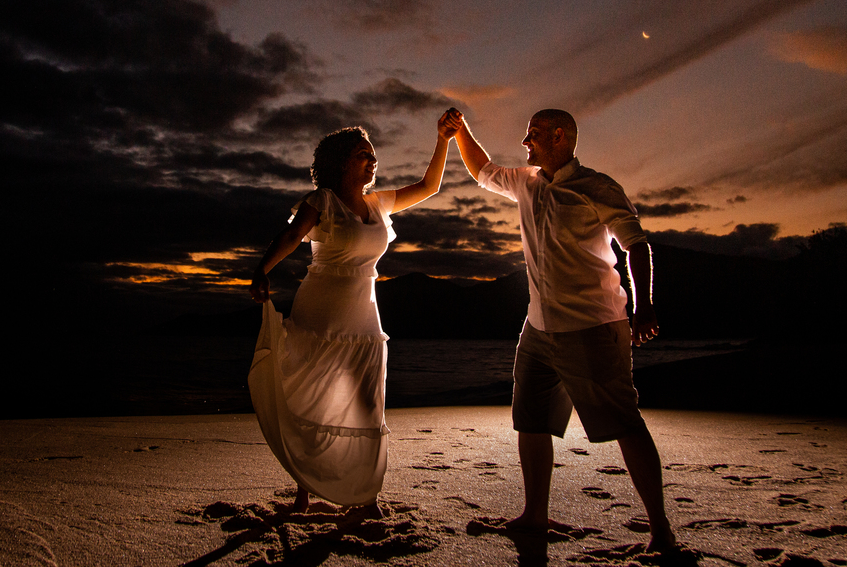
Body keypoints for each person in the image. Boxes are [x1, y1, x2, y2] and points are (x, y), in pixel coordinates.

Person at [452, 108, 676, 552]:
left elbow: (636, 244)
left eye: (532, 134)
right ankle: (535, 515)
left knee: (624, 422)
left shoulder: (597, 187)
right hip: (537, 328)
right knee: (531, 421)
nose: (524, 141)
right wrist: (460, 131)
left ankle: (660, 530)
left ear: (559, 136)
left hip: (593, 326)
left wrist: (645, 305)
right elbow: (482, 171)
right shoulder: (526, 181)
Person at [248, 110, 462, 516]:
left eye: (373, 155)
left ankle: (366, 495)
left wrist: (443, 140)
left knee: (368, 402)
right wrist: (262, 268)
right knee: (311, 398)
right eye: (364, 154)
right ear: (342, 161)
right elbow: (292, 235)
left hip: (365, 316)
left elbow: (430, 186)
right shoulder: (321, 201)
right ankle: (304, 490)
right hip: (320, 316)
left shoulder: (379, 204)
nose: (372, 160)